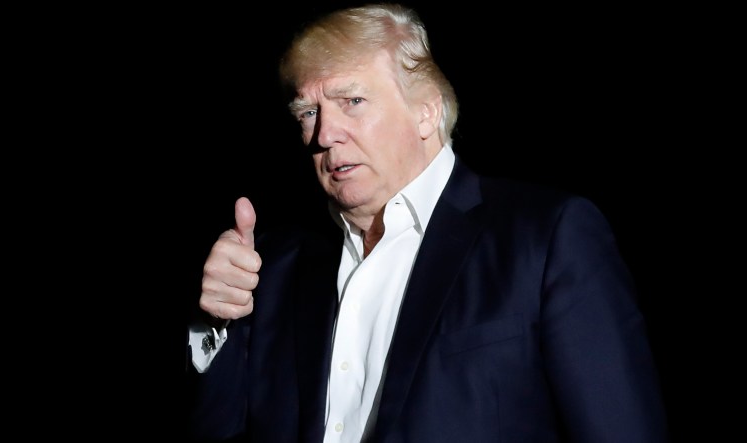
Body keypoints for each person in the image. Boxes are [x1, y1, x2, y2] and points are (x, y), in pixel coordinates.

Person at [185, 3, 668, 442]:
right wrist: (215, 323)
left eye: (352, 101)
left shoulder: (546, 238)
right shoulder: (272, 266)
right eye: (309, 111)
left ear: (426, 112)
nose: (325, 134)